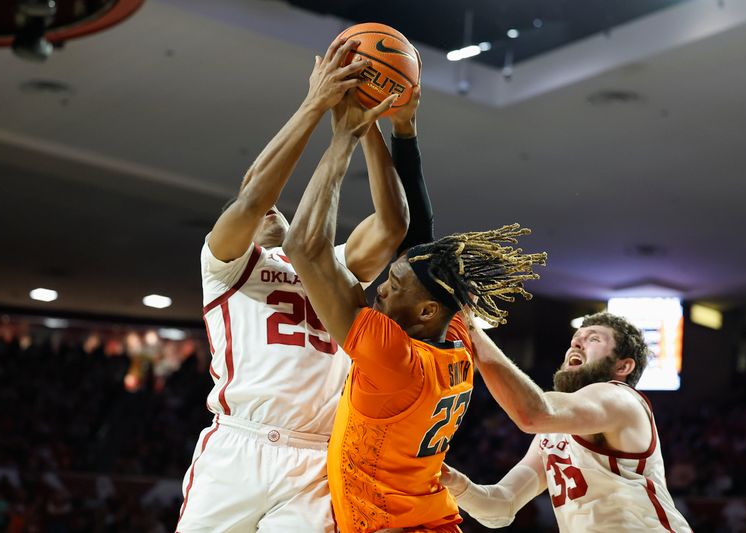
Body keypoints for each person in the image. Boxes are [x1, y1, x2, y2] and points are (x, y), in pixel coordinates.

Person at [283, 91, 546, 532]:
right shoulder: (451, 338)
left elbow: (303, 247)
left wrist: (346, 137)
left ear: (425, 311)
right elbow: (418, 238)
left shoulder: (394, 357)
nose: (380, 288)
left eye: (394, 284)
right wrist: (397, 129)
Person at [177, 37, 412, 532]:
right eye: (262, 200)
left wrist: (362, 122)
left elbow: (393, 225)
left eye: (277, 203)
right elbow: (253, 196)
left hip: (316, 457)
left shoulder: (338, 263)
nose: (269, 205)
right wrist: (315, 105)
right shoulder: (224, 265)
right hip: (240, 444)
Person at [442, 312, 692, 532]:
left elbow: (533, 413)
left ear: (623, 366)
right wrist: (450, 480)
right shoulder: (551, 434)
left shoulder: (621, 398)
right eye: (576, 339)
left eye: (593, 339)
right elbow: (500, 507)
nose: (577, 343)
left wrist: (468, 324)